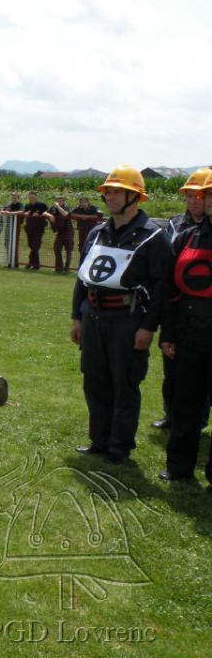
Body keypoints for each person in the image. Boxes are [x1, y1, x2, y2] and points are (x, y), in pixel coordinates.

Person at [70, 165, 172, 465]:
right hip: (93, 318)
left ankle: (119, 446)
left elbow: (161, 287)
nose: (110, 197)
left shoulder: (154, 238)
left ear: (135, 197)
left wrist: (148, 327)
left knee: (124, 383)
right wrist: (77, 316)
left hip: (127, 320)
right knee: (94, 381)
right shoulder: (98, 232)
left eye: (118, 192)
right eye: (108, 191)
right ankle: (99, 440)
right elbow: (83, 276)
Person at [159, 167, 212, 483]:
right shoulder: (185, 237)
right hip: (190, 333)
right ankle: (179, 468)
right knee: (186, 404)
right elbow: (170, 291)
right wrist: (168, 333)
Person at [45, 196, 75, 272]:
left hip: (68, 232)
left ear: (63, 201)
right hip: (59, 232)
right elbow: (44, 212)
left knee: (68, 250)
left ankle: (67, 268)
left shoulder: (66, 207)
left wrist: (58, 206)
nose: (59, 202)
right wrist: (50, 215)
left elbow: (65, 214)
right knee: (57, 249)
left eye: (61, 201)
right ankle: (59, 268)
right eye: (58, 201)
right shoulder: (53, 208)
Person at [22, 191, 49, 269]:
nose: (31, 199)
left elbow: (47, 212)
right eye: (30, 197)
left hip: (39, 228)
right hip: (29, 228)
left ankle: (31, 263)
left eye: (33, 197)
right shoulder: (27, 206)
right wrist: (25, 214)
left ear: (36, 197)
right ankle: (35, 264)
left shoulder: (42, 205)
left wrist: (40, 214)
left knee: (35, 246)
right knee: (31, 245)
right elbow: (24, 213)